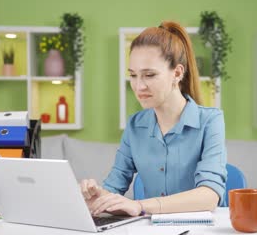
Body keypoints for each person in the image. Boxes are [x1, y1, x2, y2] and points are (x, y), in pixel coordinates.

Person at [81, 21, 227, 216]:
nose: (139, 86)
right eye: (133, 75)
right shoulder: (135, 125)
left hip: (200, 232)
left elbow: (209, 196)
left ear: (177, 73)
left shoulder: (211, 120)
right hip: (150, 234)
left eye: (149, 75)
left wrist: (140, 205)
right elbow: (115, 186)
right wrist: (100, 197)